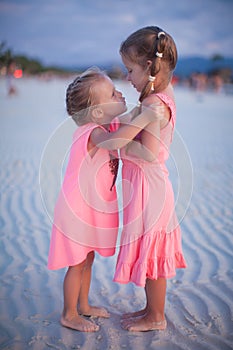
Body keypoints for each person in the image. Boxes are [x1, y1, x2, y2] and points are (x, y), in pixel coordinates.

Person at [47, 67, 163, 332]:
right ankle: (69, 313)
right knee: (76, 263)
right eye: (112, 92)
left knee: (88, 259)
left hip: (91, 209)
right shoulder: (92, 132)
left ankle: (84, 306)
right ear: (97, 112)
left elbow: (124, 129)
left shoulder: (107, 125)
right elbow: (114, 142)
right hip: (76, 209)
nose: (120, 92)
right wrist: (144, 116)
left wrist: (140, 113)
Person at [113, 26, 187, 332]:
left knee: (153, 254)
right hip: (147, 187)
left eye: (130, 70)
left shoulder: (154, 104)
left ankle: (156, 316)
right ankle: (149, 309)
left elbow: (148, 151)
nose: (127, 77)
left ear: (148, 67)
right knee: (150, 250)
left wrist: (116, 146)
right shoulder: (158, 95)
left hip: (150, 188)